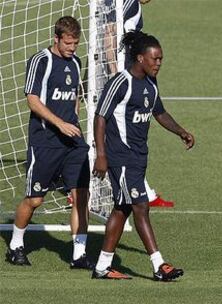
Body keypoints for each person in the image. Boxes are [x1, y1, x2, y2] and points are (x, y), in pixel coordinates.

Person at [91, 30, 194, 280]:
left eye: (161, 59)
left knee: (122, 208)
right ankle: (159, 265)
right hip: (120, 156)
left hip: (139, 157)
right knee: (141, 205)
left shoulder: (150, 83)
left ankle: (102, 267)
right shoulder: (120, 82)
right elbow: (100, 117)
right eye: (154, 59)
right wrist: (101, 155)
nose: (158, 63)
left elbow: (159, 112)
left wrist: (181, 131)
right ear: (139, 58)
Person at [5, 16, 94, 269]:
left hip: (73, 143)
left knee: (81, 196)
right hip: (45, 141)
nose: (72, 48)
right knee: (34, 200)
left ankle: (79, 254)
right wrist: (60, 123)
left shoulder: (75, 62)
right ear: (56, 38)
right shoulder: (40, 61)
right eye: (68, 43)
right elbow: (32, 100)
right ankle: (16, 245)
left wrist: (73, 118)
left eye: (76, 43)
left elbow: (75, 94)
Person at [103, 0, 174, 208]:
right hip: (126, 74)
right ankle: (82, 188)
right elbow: (109, 34)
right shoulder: (127, 3)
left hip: (124, 71)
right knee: (122, 131)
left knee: (128, 131)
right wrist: (116, 73)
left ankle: (141, 188)